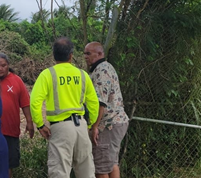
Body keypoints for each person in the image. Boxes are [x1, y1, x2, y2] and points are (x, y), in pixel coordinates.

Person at [30, 37, 100, 178]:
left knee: (60, 172)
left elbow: (35, 102)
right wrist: (90, 124)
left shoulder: (48, 74)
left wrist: (40, 125)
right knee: (86, 171)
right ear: (71, 55)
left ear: (54, 55)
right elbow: (93, 103)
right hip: (81, 126)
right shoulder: (82, 75)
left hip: (60, 128)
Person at [84, 42, 129, 178]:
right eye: (84, 53)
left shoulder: (101, 71)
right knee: (111, 163)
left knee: (101, 167)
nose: (85, 56)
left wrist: (95, 126)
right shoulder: (106, 67)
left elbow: (100, 103)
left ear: (99, 53)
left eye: (88, 53)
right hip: (117, 122)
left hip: (107, 125)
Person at [0, 53, 34, 177]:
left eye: (3, 65)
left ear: (8, 66)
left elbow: (25, 103)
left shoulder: (17, 80)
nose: (0, 68)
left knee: (8, 165)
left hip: (10, 131)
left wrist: (29, 122)